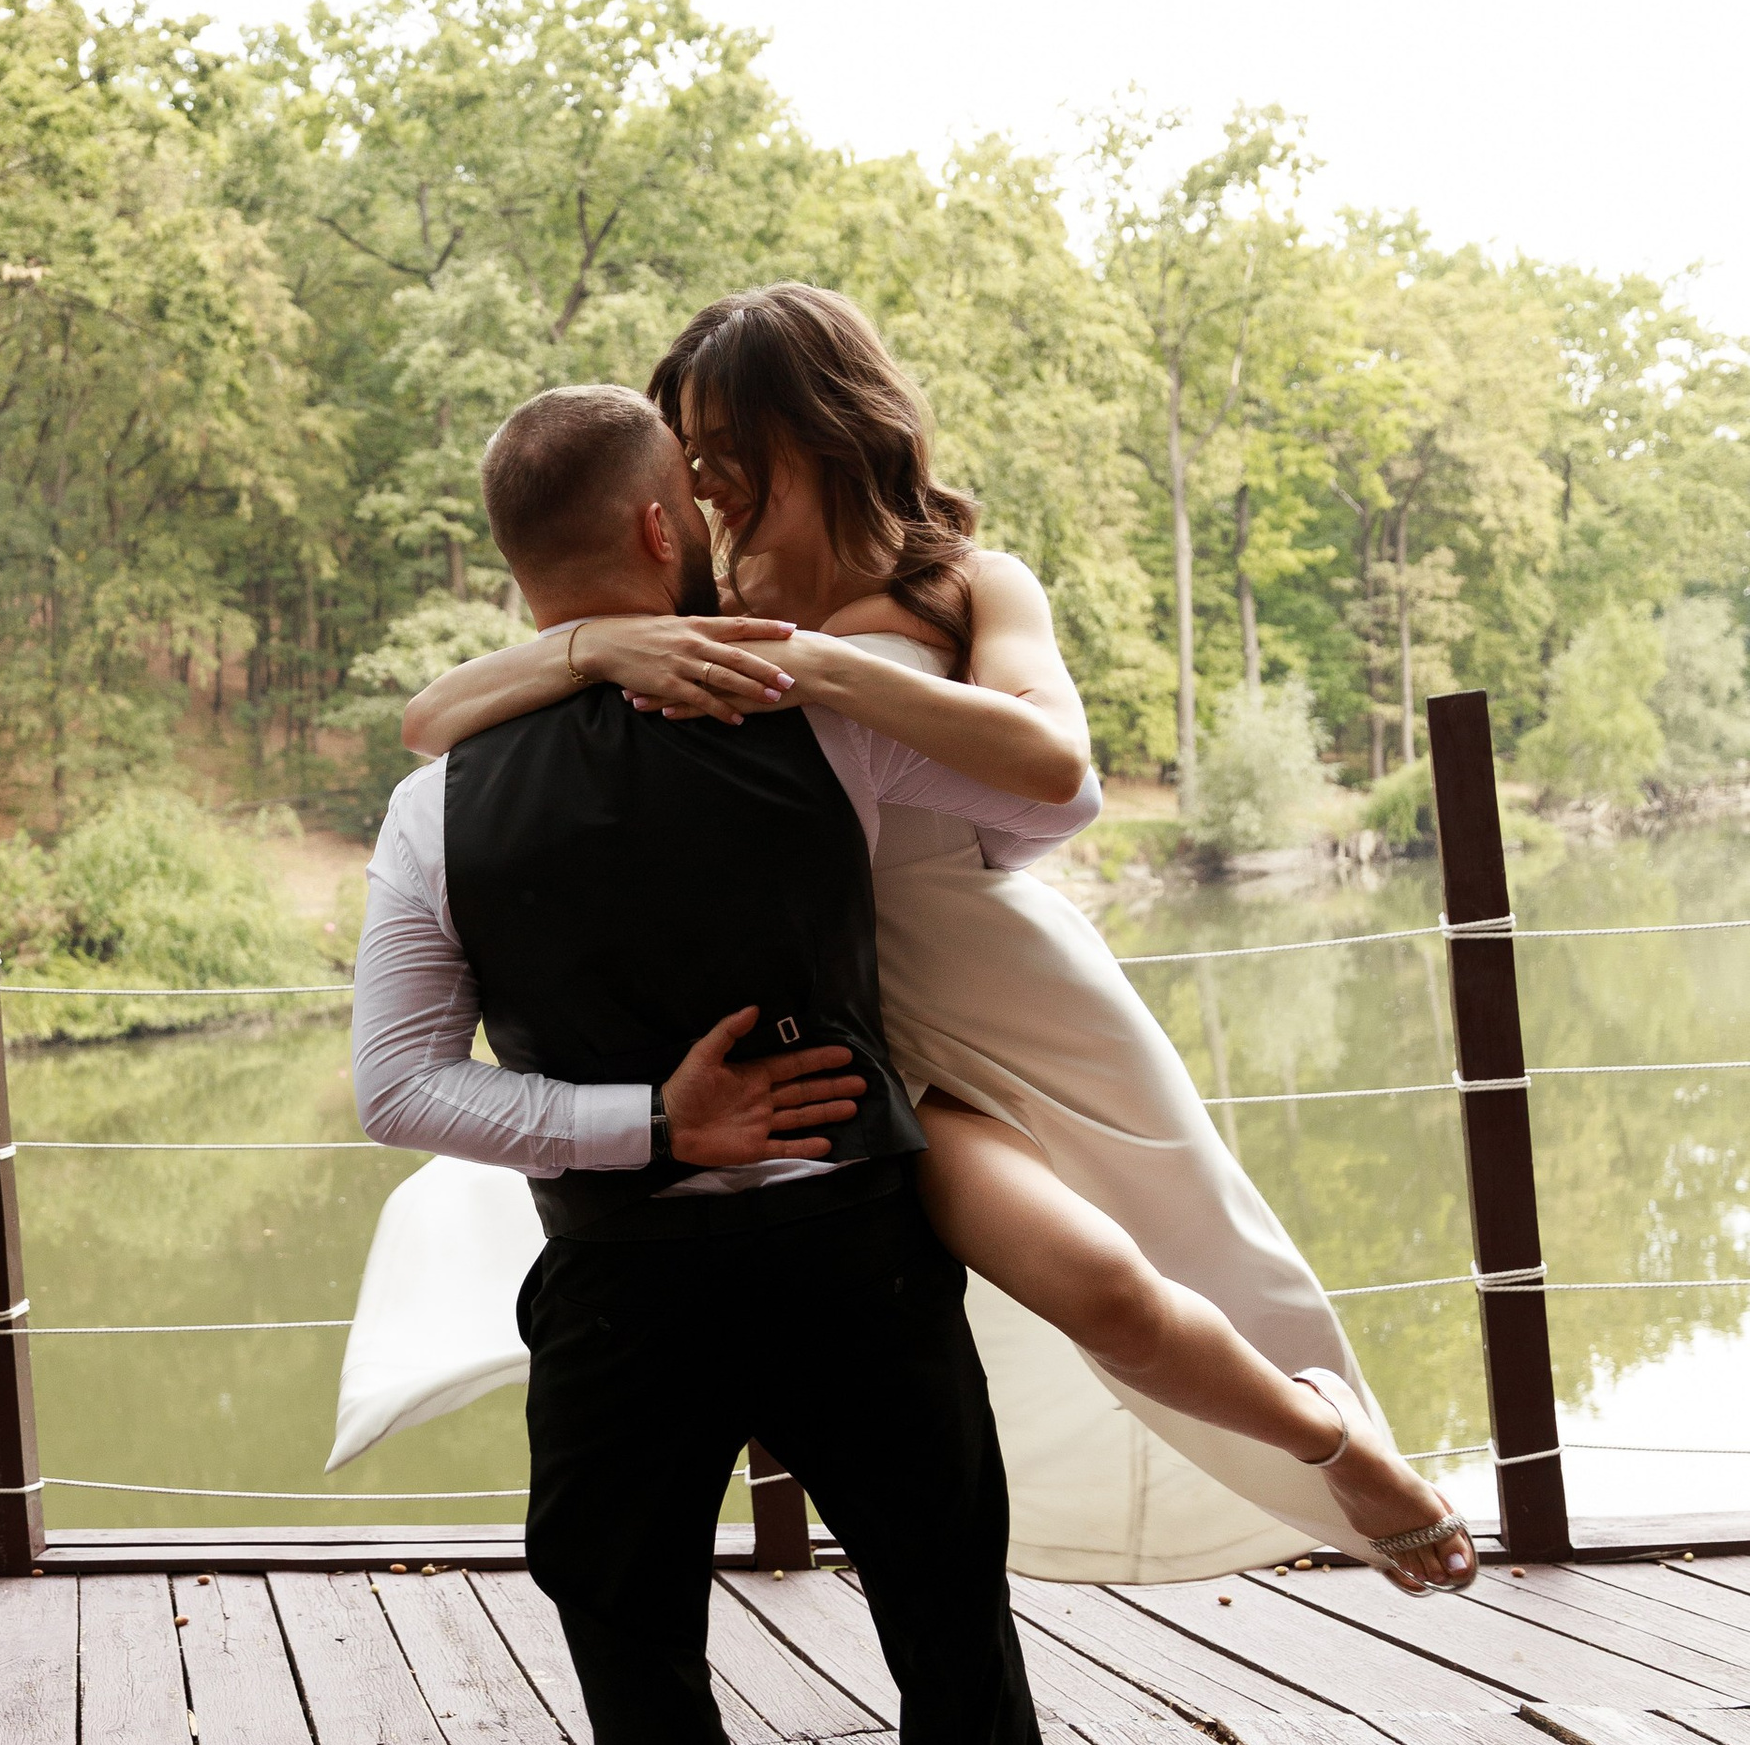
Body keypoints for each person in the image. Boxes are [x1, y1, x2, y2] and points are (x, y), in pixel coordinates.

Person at [364, 282, 1475, 1598]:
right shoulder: (692, 613)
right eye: (688, 450)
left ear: (822, 426)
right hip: (868, 1039)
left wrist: (818, 667)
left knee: (1195, 1239)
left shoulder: (969, 586)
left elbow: (1060, 773)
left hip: (1005, 980)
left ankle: (1339, 1433)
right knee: (1100, 1286)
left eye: (727, 444)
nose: (705, 476)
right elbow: (433, 724)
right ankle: (1328, 1445)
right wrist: (600, 645)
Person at [351, 378, 1129, 1745]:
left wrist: (643, 1126)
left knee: (642, 1667)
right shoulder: (813, 715)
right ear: (651, 532)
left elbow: (401, 1089)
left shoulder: (437, 802)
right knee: (951, 1641)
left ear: (509, 563)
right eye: (689, 491)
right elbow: (1053, 802)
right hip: (855, 1257)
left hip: (626, 1292)